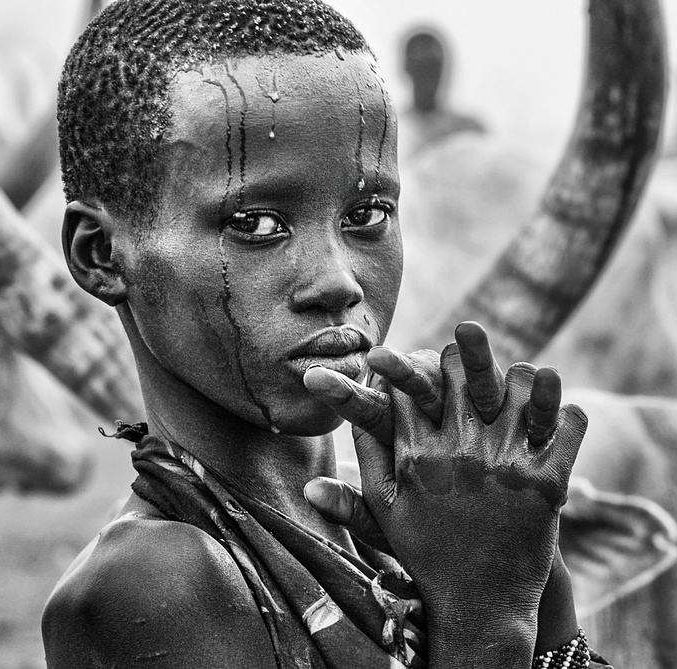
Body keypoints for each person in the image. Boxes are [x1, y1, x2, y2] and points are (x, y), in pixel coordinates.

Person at [41, 1, 602, 667]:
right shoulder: (146, 584)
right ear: (101, 254)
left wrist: (533, 568)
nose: (337, 281)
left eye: (367, 213)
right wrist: (490, 619)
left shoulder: (405, 522)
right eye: (255, 223)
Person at [399, 28, 486, 158]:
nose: (430, 75)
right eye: (423, 66)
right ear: (407, 67)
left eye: (435, 65)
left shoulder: (469, 129)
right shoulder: (396, 130)